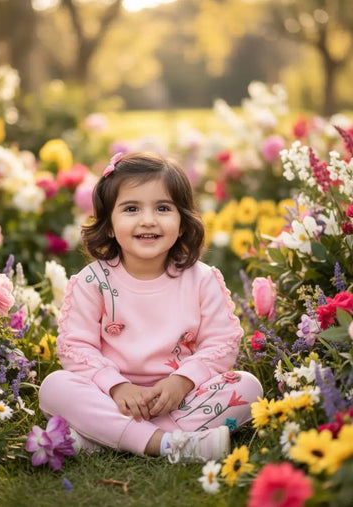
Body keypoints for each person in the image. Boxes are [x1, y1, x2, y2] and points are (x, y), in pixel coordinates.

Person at [39, 152, 263, 463]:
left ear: (183, 223)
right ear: (108, 225)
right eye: (131, 208)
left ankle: (108, 437)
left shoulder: (201, 280)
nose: (148, 219)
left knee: (247, 387)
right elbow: (77, 347)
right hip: (112, 396)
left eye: (163, 208)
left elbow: (222, 342)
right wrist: (117, 387)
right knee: (54, 387)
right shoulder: (93, 282)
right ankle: (168, 443)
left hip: (181, 398)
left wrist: (182, 380)